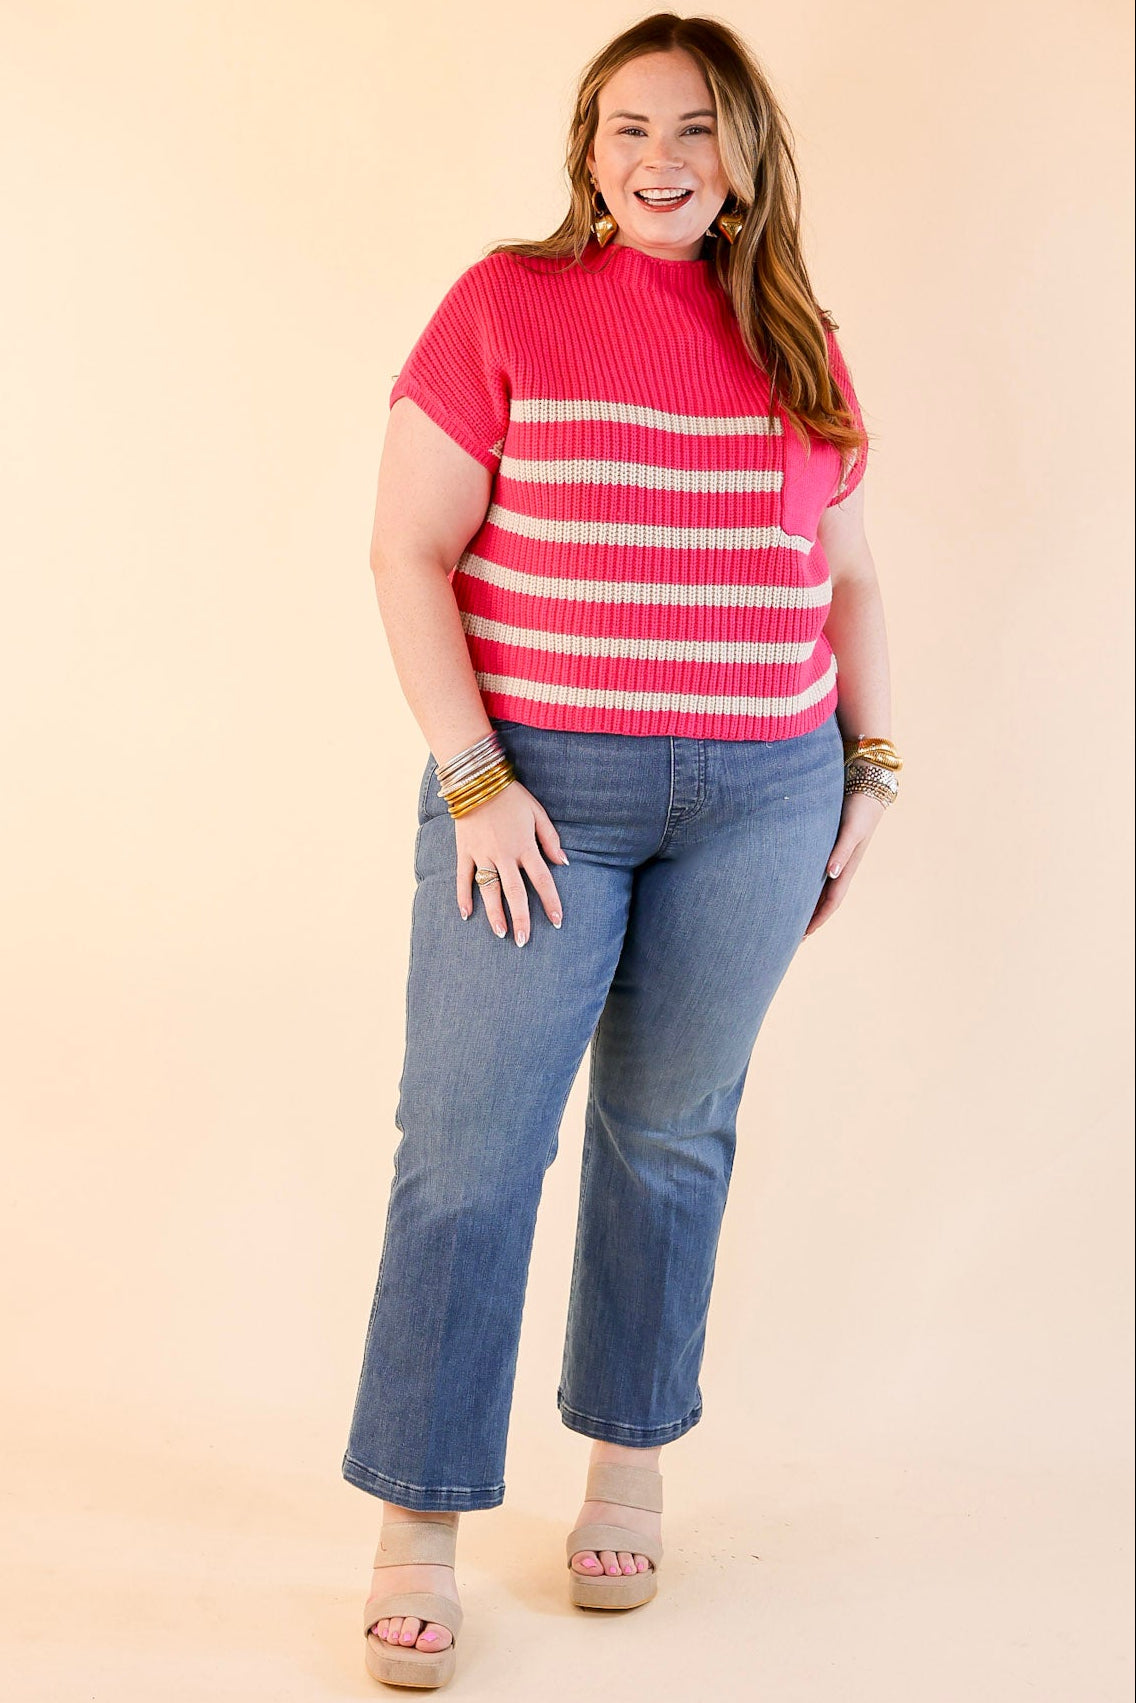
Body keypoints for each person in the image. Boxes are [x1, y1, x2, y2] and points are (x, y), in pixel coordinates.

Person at [343, 11, 901, 1689]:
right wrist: (473, 780)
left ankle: (629, 1469)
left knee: (669, 1138)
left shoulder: (797, 335)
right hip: (540, 801)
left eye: (695, 128)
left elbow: (850, 575)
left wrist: (870, 767)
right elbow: (404, 550)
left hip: (762, 799)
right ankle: (419, 1521)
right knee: (469, 1150)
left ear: (744, 157)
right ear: (588, 154)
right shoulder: (506, 303)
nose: (660, 159)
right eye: (627, 128)